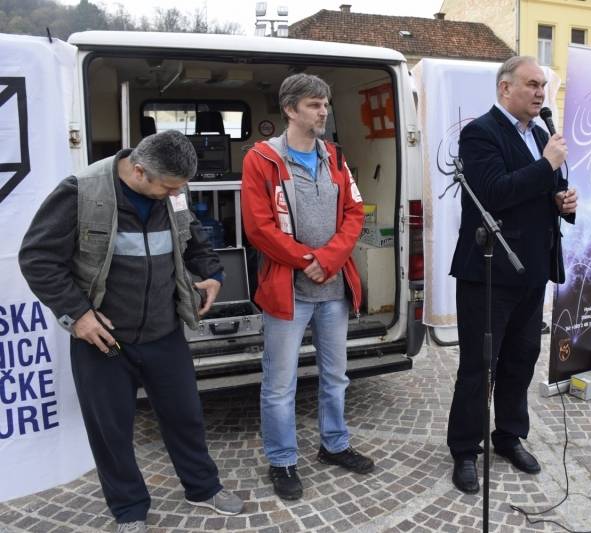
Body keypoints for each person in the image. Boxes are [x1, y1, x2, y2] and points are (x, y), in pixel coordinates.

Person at [18, 130, 244, 533]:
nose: (176, 194)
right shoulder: (81, 193)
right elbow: (37, 258)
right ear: (139, 171)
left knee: (185, 417)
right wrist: (79, 314)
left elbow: (193, 236)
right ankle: (129, 509)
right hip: (103, 340)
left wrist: (211, 273)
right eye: (169, 187)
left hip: (164, 331)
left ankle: (202, 488)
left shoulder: (171, 192)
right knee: (111, 430)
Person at [447, 56, 578, 494]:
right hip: (488, 269)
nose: (541, 93)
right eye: (532, 84)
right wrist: (546, 166)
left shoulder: (539, 133)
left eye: (543, 86)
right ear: (506, 89)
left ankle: (509, 436)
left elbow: (544, 189)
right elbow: (494, 194)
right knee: (479, 366)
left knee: (521, 360)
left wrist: (563, 200)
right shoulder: (480, 132)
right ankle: (465, 449)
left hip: (532, 269)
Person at [241, 73, 373, 502]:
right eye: (315, 104)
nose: (324, 111)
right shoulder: (261, 159)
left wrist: (330, 260)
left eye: (325, 103)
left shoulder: (334, 156)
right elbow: (258, 227)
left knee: (335, 376)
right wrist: (306, 261)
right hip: (288, 291)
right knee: (280, 383)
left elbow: (355, 212)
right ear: (291, 109)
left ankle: (334, 445)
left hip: (332, 290)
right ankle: (281, 460)